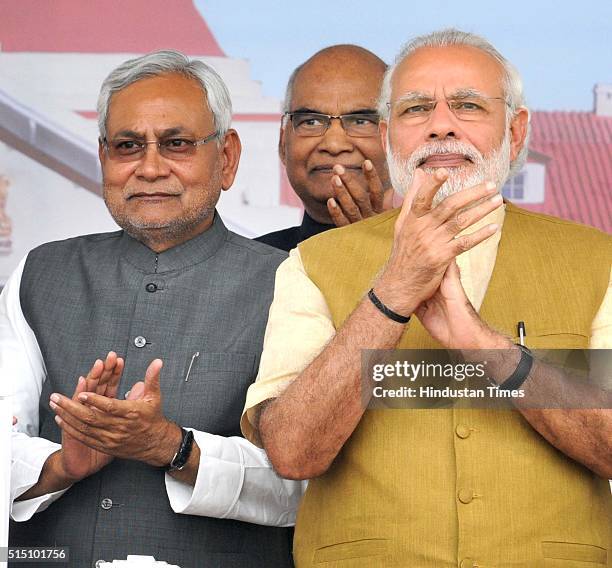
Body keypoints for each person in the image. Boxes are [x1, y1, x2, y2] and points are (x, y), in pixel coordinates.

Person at [242, 29, 612, 567]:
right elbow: (292, 452)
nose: (441, 125)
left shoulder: (597, 260)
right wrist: (392, 293)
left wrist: (485, 346)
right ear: (391, 135)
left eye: (467, 105)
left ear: (516, 129)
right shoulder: (314, 263)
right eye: (417, 109)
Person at [2, 50, 301, 567]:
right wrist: (61, 464)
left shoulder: (291, 284)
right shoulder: (41, 273)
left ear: (226, 158)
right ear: (103, 159)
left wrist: (172, 447)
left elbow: (305, 481)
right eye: (127, 146)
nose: (150, 167)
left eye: (177, 144)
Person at [257, 45, 393, 251]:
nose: (334, 145)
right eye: (311, 122)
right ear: (283, 143)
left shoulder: (447, 257)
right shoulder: (245, 268)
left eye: (361, 121)